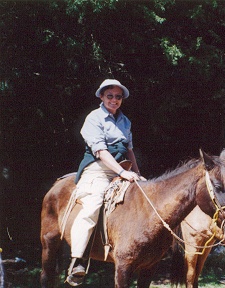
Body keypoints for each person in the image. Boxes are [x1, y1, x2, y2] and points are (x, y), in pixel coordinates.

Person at [67, 79, 143, 285]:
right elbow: (100, 151)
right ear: (101, 96)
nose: (114, 100)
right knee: (92, 205)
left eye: (118, 97)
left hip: (123, 169)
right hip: (99, 170)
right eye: (110, 96)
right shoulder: (94, 118)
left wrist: (137, 174)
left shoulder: (125, 121)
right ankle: (78, 259)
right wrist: (120, 171)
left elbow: (129, 150)